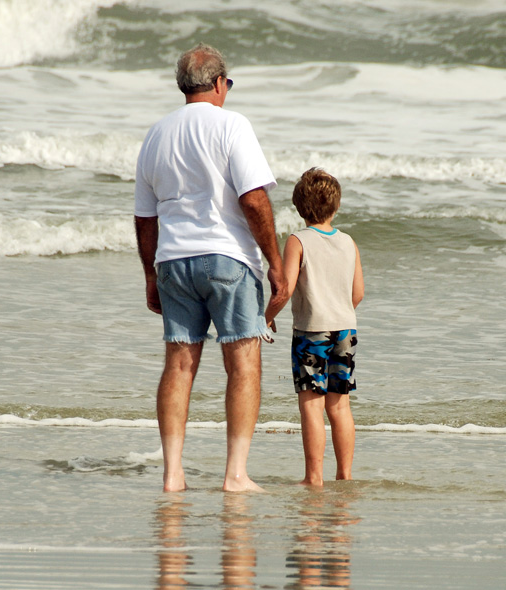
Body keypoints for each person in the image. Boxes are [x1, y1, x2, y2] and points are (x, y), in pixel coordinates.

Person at [134, 44, 288, 492]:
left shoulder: (156, 134)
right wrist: (275, 265)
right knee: (243, 361)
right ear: (220, 84)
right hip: (227, 258)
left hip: (173, 261)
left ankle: (173, 474)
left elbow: (146, 218)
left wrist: (150, 275)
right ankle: (235, 474)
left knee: (179, 364)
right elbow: (254, 199)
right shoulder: (231, 125)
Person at [266, 168, 364, 486]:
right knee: (340, 405)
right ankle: (345, 475)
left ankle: (314, 477)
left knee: (312, 404)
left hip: (312, 332)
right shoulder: (349, 242)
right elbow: (357, 293)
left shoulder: (298, 240)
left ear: (299, 208)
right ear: (335, 207)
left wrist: (266, 316)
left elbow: (287, 288)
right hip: (346, 330)